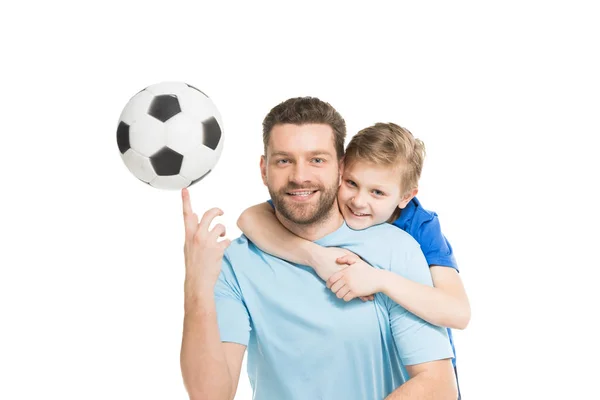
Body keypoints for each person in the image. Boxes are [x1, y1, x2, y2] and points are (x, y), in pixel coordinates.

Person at [180, 97, 457, 400]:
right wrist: (197, 286)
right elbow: (210, 396)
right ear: (263, 169)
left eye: (317, 160)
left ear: (340, 168)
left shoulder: (397, 247)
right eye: (284, 160)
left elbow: (438, 385)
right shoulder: (236, 261)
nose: (300, 176)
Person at [237, 122, 470, 398]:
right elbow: (250, 218)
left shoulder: (419, 225)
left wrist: (380, 279)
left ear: (406, 196)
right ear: (341, 170)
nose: (359, 201)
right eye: (352, 183)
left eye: (377, 193)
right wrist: (316, 257)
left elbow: (458, 312)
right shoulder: (328, 201)